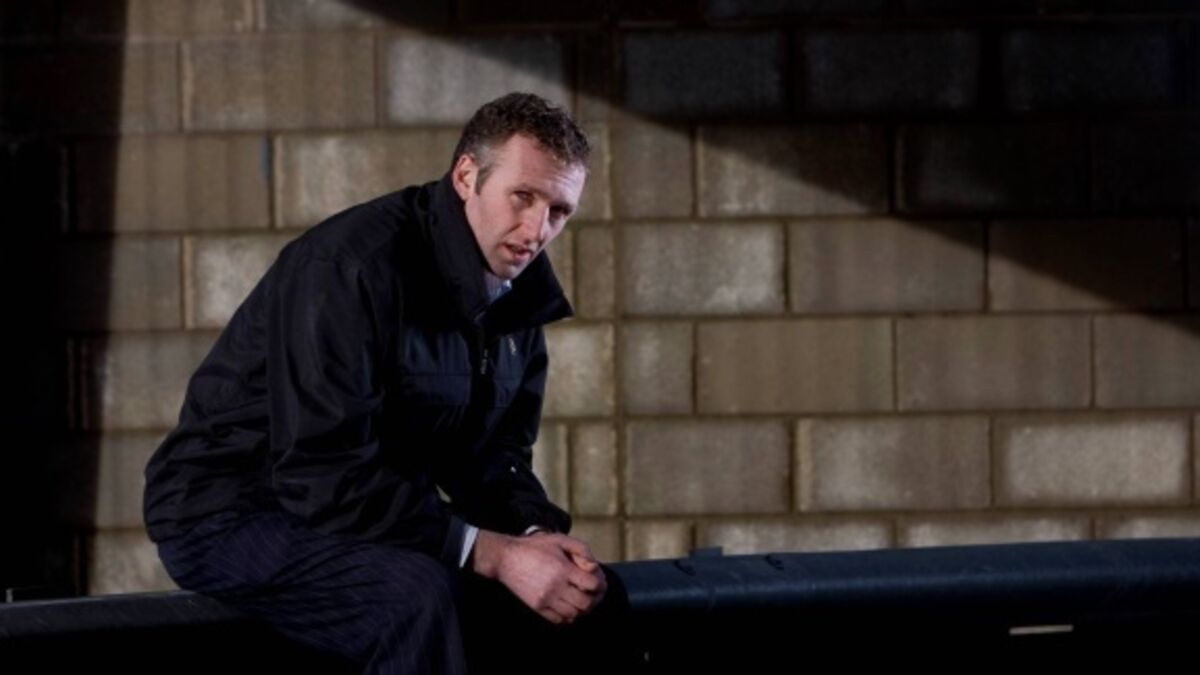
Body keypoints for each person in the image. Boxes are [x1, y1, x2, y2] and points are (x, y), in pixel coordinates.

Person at [142, 92, 638, 674]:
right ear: (467, 176)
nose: (536, 230)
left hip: (369, 509)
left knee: (590, 600)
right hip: (230, 512)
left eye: (558, 211)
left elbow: (495, 455)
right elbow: (322, 473)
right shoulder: (349, 267)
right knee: (416, 600)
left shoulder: (517, 290)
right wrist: (493, 554)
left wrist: (534, 537)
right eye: (523, 197)